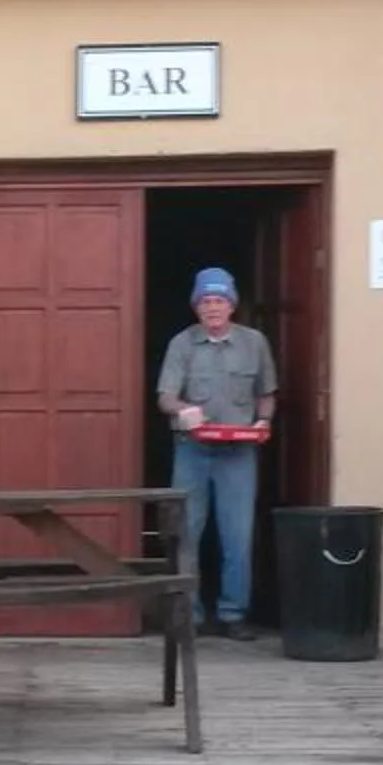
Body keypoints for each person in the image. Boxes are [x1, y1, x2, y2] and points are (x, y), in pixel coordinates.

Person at [155, 266, 277, 640]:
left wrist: (262, 422)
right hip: (193, 450)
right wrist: (182, 411)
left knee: (237, 535)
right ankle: (187, 615)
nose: (212, 308)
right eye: (205, 301)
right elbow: (165, 396)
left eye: (219, 300)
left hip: (238, 453)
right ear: (196, 307)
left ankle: (232, 613)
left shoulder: (254, 342)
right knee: (187, 532)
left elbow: (267, 392)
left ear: (232, 306)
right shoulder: (182, 343)